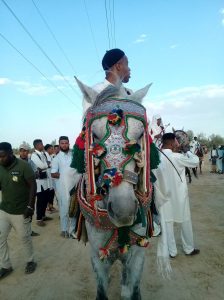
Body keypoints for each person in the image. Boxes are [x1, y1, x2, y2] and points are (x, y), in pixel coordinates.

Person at [153, 133, 200, 259]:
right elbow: (195, 161)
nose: (178, 144)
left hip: (163, 197)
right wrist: (188, 152)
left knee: (167, 223)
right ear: (173, 142)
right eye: (177, 141)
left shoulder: (156, 157)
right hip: (179, 197)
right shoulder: (177, 157)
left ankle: (172, 251)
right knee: (185, 221)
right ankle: (188, 248)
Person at [0, 142, 37, 279]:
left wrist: (30, 206)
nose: (0, 159)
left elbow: (33, 186)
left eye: (3, 156)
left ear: (10, 153)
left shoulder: (24, 166)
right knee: (0, 238)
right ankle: (6, 265)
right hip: (4, 210)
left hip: (21, 211)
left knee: (24, 237)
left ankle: (30, 260)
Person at [82, 48, 132, 114]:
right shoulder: (95, 92)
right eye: (127, 64)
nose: (129, 69)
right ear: (118, 66)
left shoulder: (130, 93)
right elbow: (88, 121)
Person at [51, 136, 79, 238]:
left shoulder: (73, 155)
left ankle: (72, 229)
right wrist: (65, 175)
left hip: (74, 186)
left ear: (69, 144)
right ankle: (64, 230)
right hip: (63, 188)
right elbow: (53, 174)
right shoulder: (57, 158)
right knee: (64, 209)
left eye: (66, 143)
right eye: (62, 143)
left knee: (74, 207)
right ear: (59, 145)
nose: (64, 145)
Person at [19, 144, 40, 236]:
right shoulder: (16, 162)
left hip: (30, 190)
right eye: (22, 151)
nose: (24, 153)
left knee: (30, 209)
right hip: (19, 191)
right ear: (19, 152)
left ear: (28, 152)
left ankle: (28, 230)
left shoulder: (30, 162)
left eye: (26, 151)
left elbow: (37, 173)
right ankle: (22, 231)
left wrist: (30, 176)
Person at [30, 139, 52, 226]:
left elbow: (49, 163)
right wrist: (47, 165)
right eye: (41, 144)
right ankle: (39, 219)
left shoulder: (43, 153)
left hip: (46, 181)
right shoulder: (34, 155)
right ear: (36, 145)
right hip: (39, 182)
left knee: (45, 199)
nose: (42, 145)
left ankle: (43, 215)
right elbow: (42, 166)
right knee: (40, 201)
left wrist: (45, 165)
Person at [44, 144, 56, 212]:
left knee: (51, 191)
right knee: (48, 192)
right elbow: (49, 164)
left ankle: (50, 206)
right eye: (51, 149)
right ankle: (49, 206)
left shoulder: (51, 155)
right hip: (47, 177)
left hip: (51, 177)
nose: (52, 150)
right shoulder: (45, 155)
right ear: (48, 149)